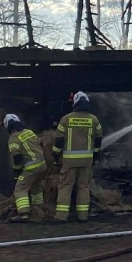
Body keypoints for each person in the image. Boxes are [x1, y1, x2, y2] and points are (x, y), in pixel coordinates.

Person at [52, 91, 102, 222]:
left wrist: (55, 156)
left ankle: (61, 216)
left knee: (65, 186)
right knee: (83, 186)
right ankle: (83, 216)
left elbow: (59, 140)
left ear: (75, 103)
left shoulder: (66, 119)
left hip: (69, 160)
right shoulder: (94, 119)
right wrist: (95, 155)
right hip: (87, 160)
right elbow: (98, 139)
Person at [3, 114, 48, 222]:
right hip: (42, 165)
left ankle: (23, 214)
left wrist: (17, 172)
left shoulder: (13, 138)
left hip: (31, 168)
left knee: (20, 189)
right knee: (36, 188)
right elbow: (40, 143)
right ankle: (38, 209)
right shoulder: (29, 132)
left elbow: (17, 158)